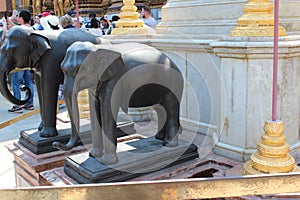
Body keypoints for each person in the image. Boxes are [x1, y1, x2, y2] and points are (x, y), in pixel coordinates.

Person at [7, 9, 35, 113]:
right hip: (28, 61)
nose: (17, 18)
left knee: (15, 83)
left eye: (18, 16)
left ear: (21, 18)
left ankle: (17, 105)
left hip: (19, 61)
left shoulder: (19, 30)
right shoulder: (32, 29)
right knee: (28, 82)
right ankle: (30, 103)